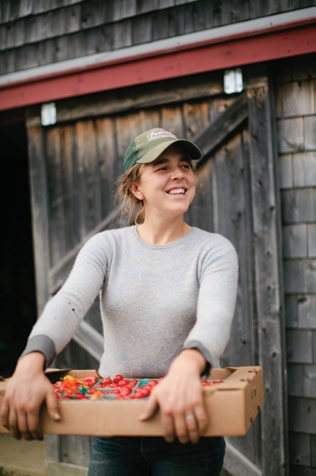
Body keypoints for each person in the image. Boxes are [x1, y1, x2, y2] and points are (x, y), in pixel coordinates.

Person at [0, 127, 238, 475]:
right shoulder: (107, 247)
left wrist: (187, 367)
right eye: (161, 166)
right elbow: (68, 303)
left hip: (187, 425)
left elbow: (215, 317)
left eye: (185, 165)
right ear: (136, 187)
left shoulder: (213, 249)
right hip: (114, 427)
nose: (179, 174)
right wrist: (30, 361)